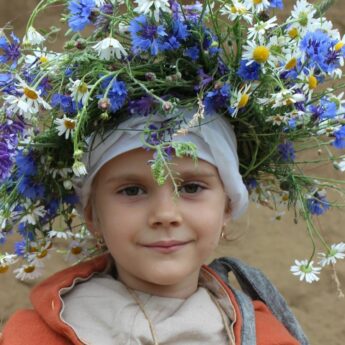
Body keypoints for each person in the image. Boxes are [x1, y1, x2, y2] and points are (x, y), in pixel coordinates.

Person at [1, 113, 308, 345]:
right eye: (132, 191)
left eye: (190, 187)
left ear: (227, 207)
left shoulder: (266, 336)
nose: (165, 214)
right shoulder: (33, 336)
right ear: (93, 215)